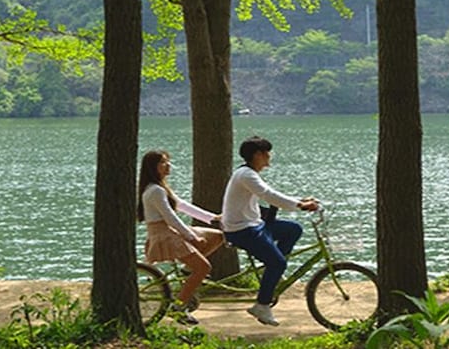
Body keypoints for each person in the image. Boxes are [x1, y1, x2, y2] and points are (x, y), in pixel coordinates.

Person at [221, 135, 319, 327]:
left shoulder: (248, 173)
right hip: (241, 230)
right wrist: (301, 205)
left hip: (254, 224)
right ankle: (262, 305)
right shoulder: (246, 175)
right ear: (258, 154)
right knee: (278, 263)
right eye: (267, 152)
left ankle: (271, 271)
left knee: (293, 229)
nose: (269, 156)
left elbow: (270, 193)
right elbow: (269, 195)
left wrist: (300, 200)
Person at [137, 149, 224, 325]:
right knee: (203, 268)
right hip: (164, 234)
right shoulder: (155, 191)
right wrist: (191, 236)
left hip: (169, 231)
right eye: (163, 162)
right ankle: (179, 307)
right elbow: (170, 217)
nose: (168, 165)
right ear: (152, 167)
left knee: (218, 236)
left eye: (168, 161)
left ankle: (186, 270)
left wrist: (213, 217)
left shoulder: (160, 187)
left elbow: (182, 206)